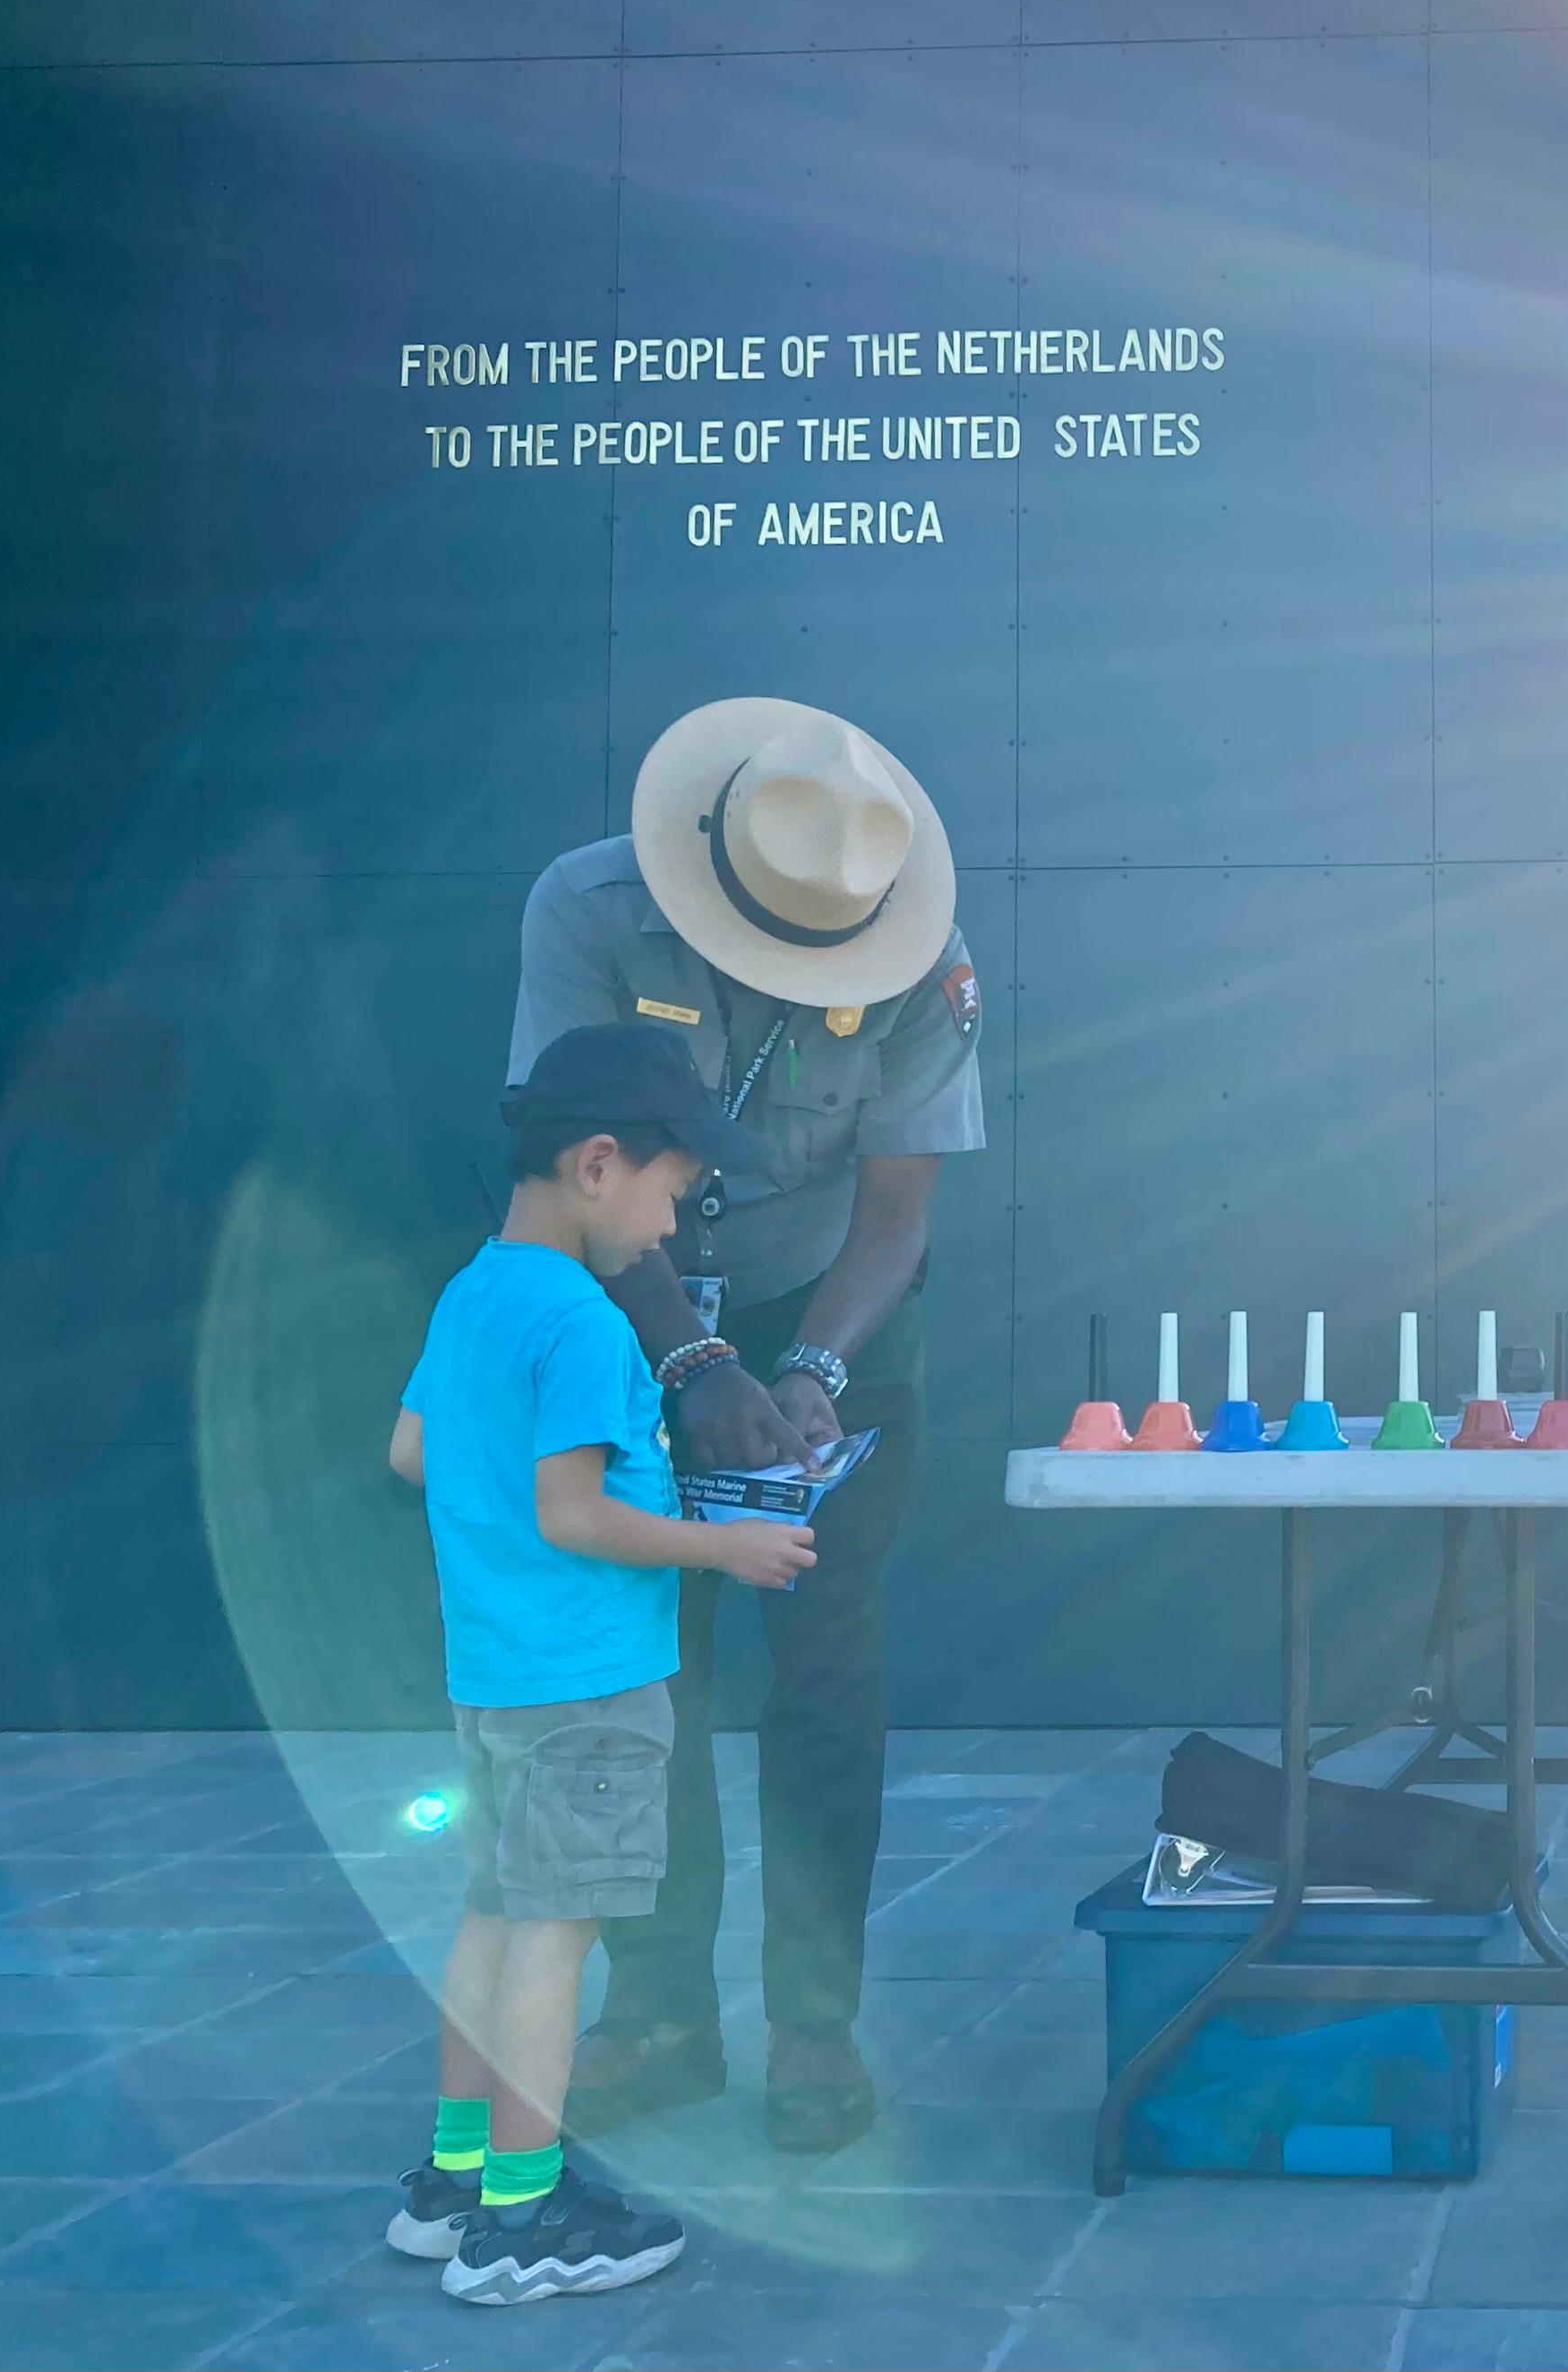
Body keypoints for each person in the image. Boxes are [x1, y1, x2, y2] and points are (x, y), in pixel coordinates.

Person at [509, 698, 984, 2153]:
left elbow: (899, 1209)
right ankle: (658, 2017)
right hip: (625, 1298)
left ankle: (812, 2027)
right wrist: (693, 1359)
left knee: (828, 1672)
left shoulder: (919, 947)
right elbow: (576, 1176)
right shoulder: (585, 909)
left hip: (831, 1314)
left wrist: (813, 1376)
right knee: (647, 1671)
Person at [385, 1023, 816, 2306]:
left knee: (495, 1915)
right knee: (556, 1939)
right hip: (584, 1683)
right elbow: (574, 1514)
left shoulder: (475, 1291)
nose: (668, 1232)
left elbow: (413, 1456)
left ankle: (454, 2178)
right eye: (669, 1195)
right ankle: (522, 2219)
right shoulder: (581, 1317)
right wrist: (721, 1544)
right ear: (597, 1164)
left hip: (493, 1677)